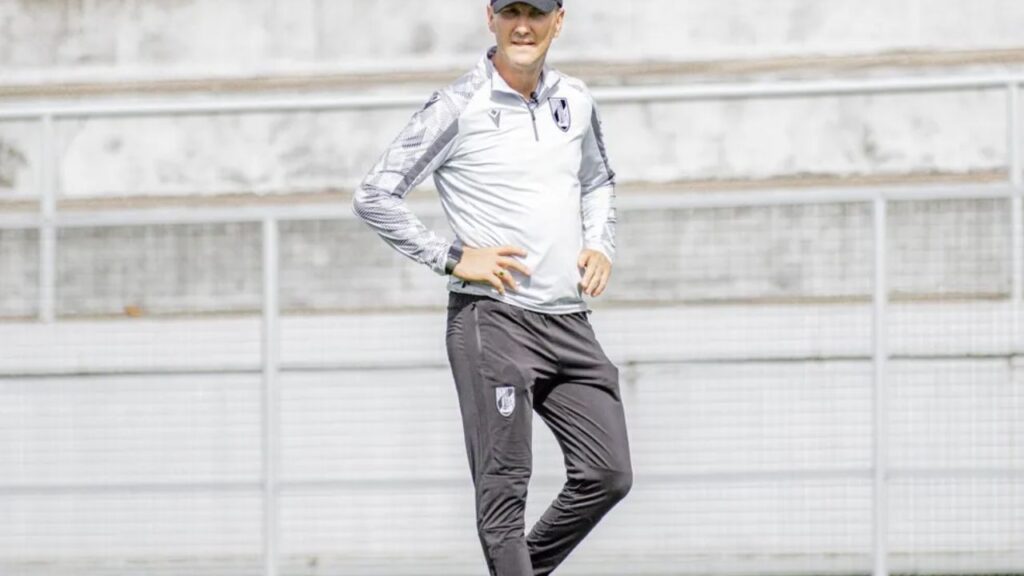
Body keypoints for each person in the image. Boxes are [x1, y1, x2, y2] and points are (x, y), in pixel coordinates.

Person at [352, 1, 632, 574]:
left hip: (569, 320)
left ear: (559, 21)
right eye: (511, 12)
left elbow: (598, 180)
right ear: (491, 18)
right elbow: (374, 194)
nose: (522, 26)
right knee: (504, 491)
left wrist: (600, 244)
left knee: (608, 473)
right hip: (494, 320)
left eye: (536, 13)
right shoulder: (459, 104)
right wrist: (452, 258)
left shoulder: (576, 100)